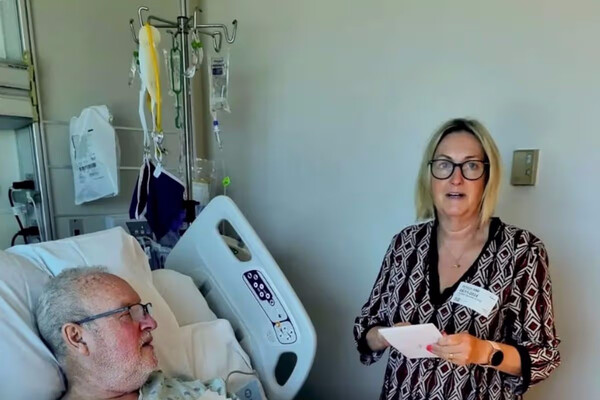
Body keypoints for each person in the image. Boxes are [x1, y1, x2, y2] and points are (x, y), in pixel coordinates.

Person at [353, 118, 560, 400]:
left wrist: (484, 351)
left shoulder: (522, 250)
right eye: (444, 164)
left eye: (471, 166)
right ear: (430, 176)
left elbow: (543, 357)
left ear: (488, 177)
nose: (456, 178)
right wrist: (384, 336)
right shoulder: (405, 244)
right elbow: (365, 326)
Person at [35, 267, 231, 400]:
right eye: (128, 313)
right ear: (78, 338)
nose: (151, 323)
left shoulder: (193, 391)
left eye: (143, 310)